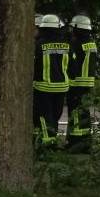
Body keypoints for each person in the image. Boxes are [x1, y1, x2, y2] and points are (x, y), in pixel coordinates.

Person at [33, 14, 71, 148]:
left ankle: (48, 145)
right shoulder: (66, 44)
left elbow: (34, 65)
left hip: (43, 87)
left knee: (44, 116)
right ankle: (52, 139)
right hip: (62, 87)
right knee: (55, 116)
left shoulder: (39, 44)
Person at [65, 15, 98, 153]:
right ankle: (86, 142)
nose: (71, 30)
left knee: (75, 113)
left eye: (73, 28)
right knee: (84, 112)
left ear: (78, 28)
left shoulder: (76, 44)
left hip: (76, 83)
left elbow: (72, 64)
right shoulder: (91, 43)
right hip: (88, 82)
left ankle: (75, 143)